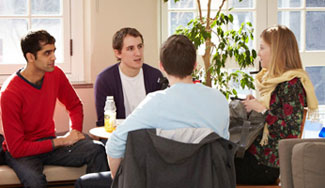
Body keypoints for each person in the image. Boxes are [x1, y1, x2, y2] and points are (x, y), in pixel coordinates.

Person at [75, 34, 230, 188]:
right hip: (207, 181)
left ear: (161, 66)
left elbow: (114, 144)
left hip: (160, 181)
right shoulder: (220, 100)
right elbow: (224, 149)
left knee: (84, 183)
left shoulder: (155, 103)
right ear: (195, 65)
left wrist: (119, 180)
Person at [0, 30, 109, 188]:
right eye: (47, 53)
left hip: (49, 142)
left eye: (54, 51)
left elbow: (75, 105)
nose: (54, 57)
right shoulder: (10, 92)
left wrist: (75, 131)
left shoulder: (55, 74)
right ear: (30, 57)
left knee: (97, 149)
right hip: (23, 152)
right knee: (35, 182)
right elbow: (16, 149)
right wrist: (60, 141)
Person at [235, 25, 319, 185]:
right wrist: (256, 105)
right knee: (214, 157)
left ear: (277, 51)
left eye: (262, 48)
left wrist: (261, 109)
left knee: (213, 166)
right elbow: (275, 114)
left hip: (265, 165)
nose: (258, 54)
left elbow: (290, 132)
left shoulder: (292, 85)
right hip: (257, 158)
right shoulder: (276, 82)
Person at [94, 27, 163, 127]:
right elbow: (103, 123)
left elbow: (160, 117)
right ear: (118, 53)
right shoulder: (105, 80)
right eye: (131, 49)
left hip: (149, 136)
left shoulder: (155, 76)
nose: (138, 53)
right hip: (117, 136)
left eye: (140, 46)